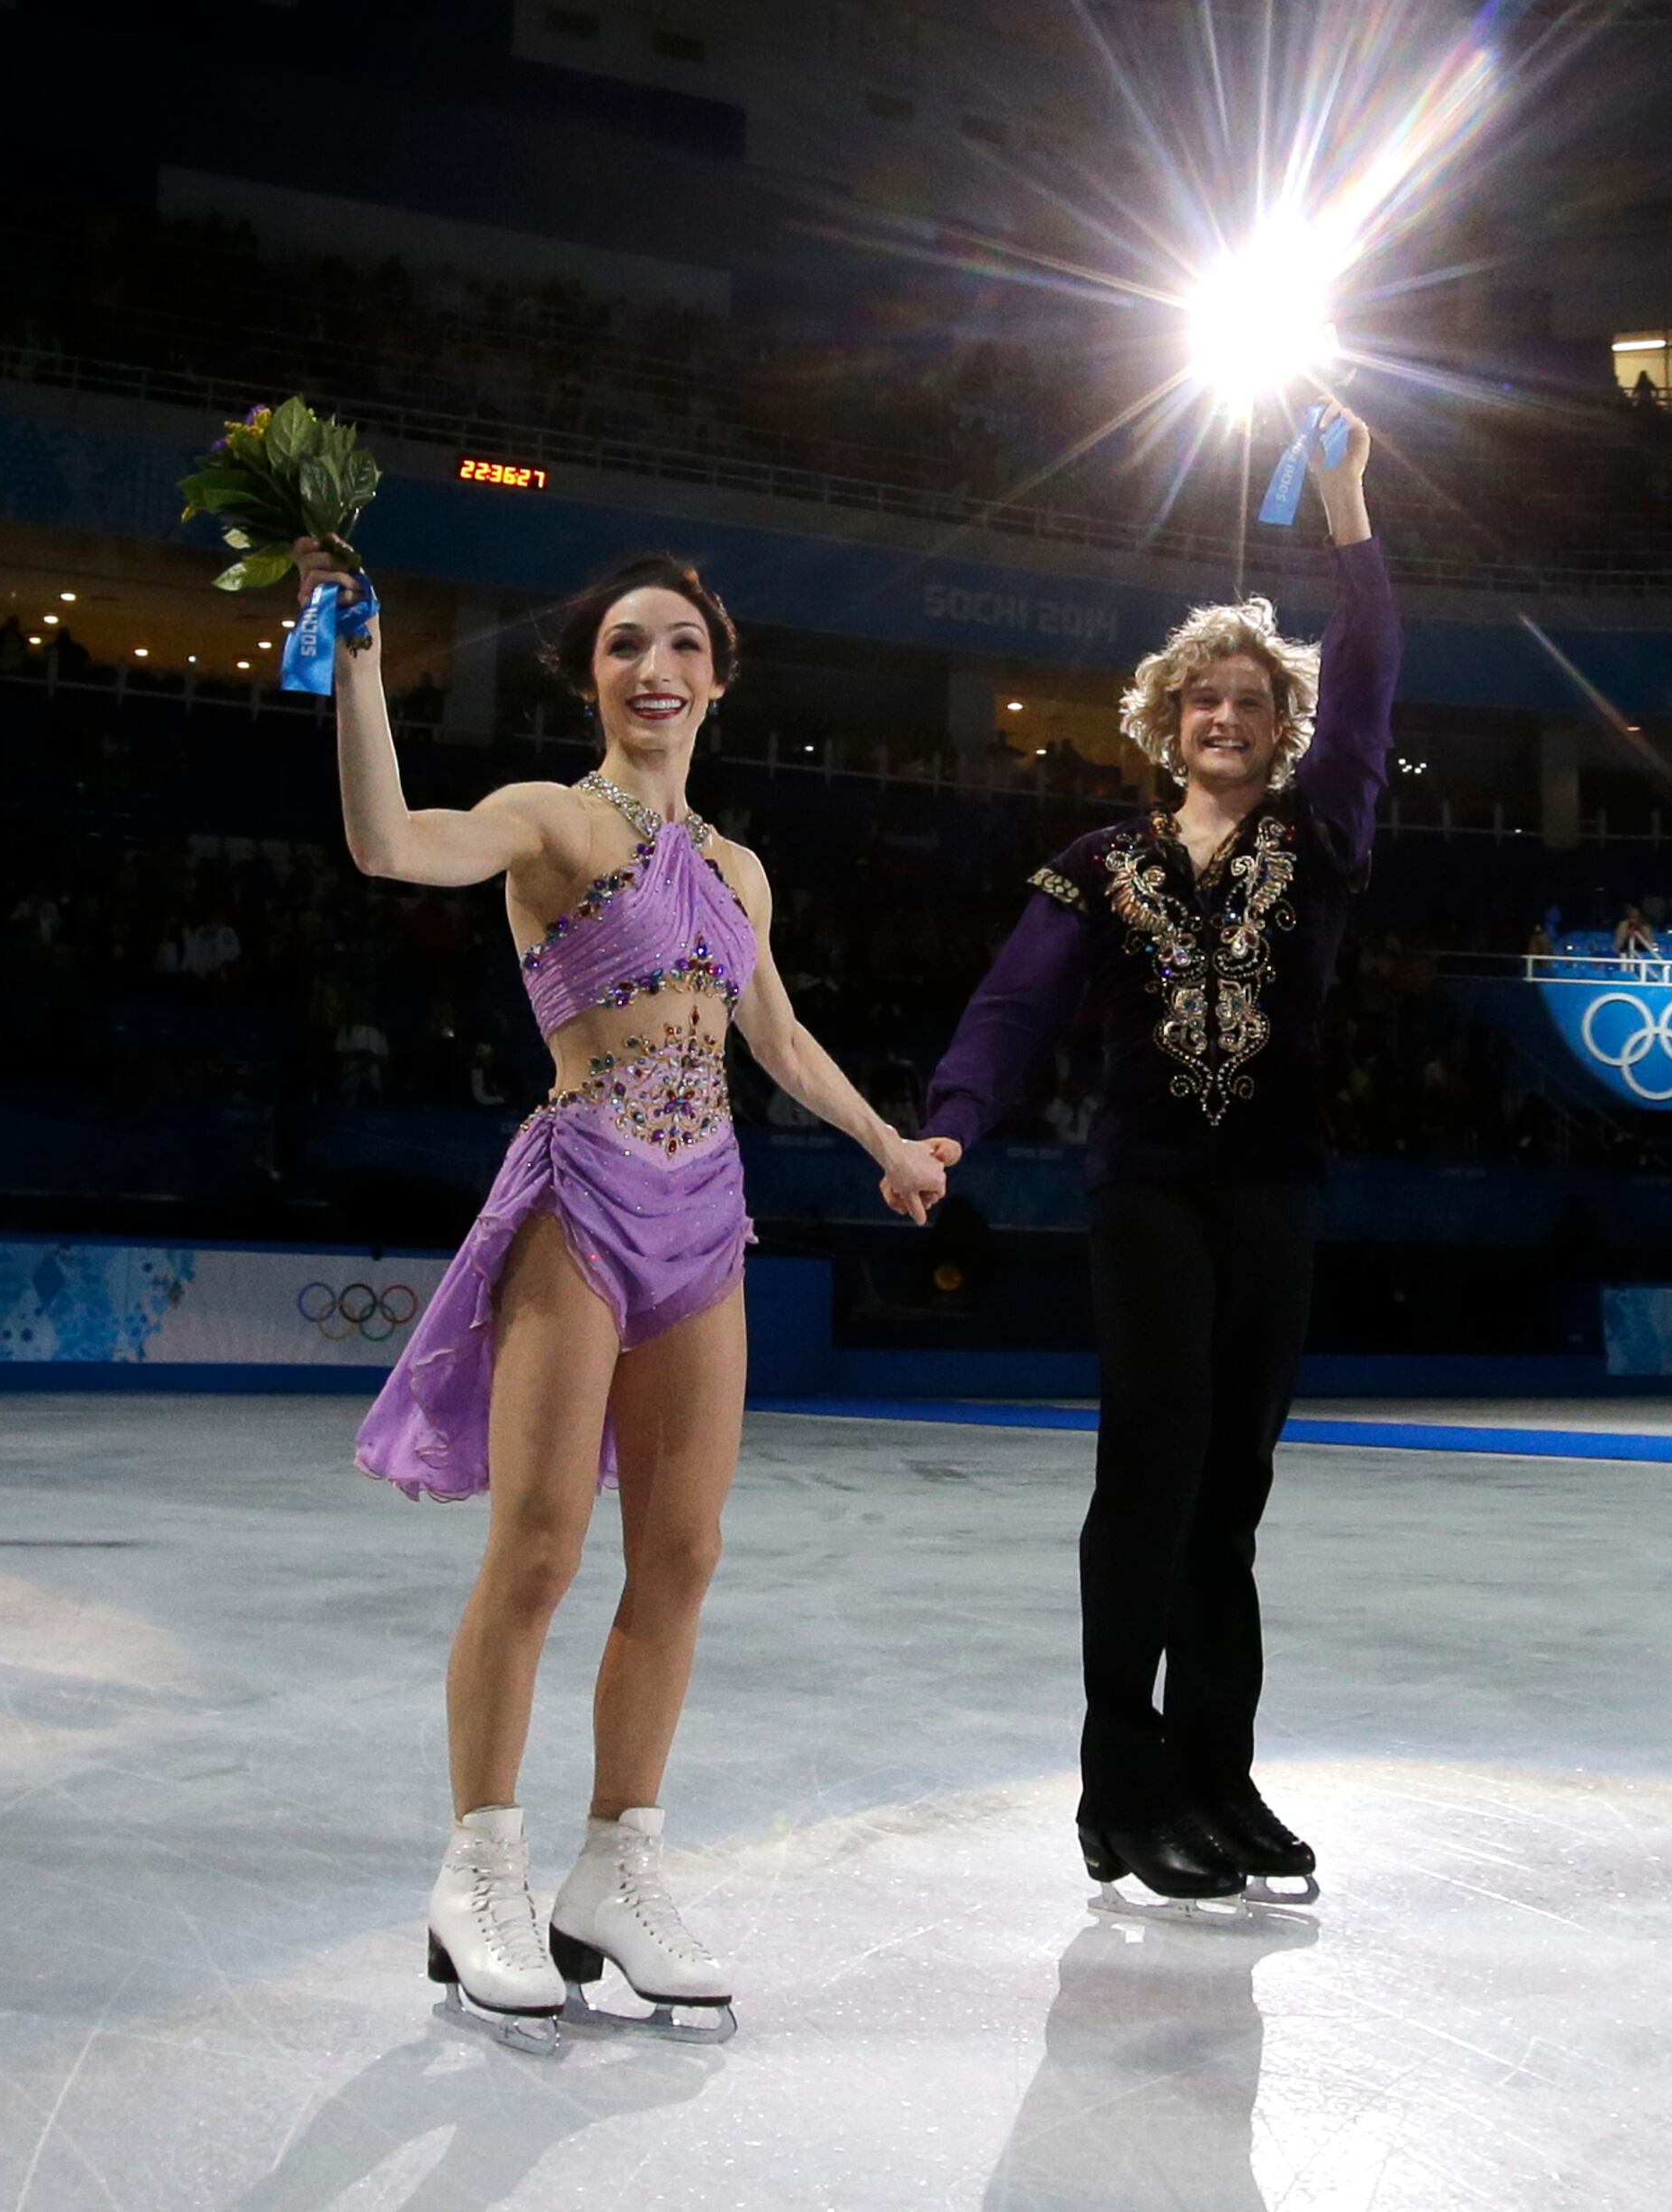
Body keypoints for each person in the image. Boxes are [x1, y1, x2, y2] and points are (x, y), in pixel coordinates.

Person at [313, 534, 951, 2051]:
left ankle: (617, 1867)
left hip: (706, 1211)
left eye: (679, 646)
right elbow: (391, 842)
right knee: (536, 1549)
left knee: (684, 1552)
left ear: (717, 678)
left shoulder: (739, 871)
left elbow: (779, 1041)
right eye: (622, 647)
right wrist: (351, 659)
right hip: (584, 1194)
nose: (653, 669)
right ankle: (479, 1873)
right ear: (593, 677)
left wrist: (887, 1145)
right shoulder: (549, 820)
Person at [920, 397, 1394, 1916]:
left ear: (1285, 725)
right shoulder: (1095, 867)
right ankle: (1120, 1791)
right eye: (1202, 698)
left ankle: (1218, 1776)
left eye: (1253, 698)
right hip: (1144, 1194)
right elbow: (1010, 1008)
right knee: (1155, 1470)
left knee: (1232, 1492)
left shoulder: (1322, 835)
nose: (1226, 716)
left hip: (1275, 1187)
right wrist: (949, 1122)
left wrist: (1349, 513)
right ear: (1163, 719)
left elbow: (1375, 664)